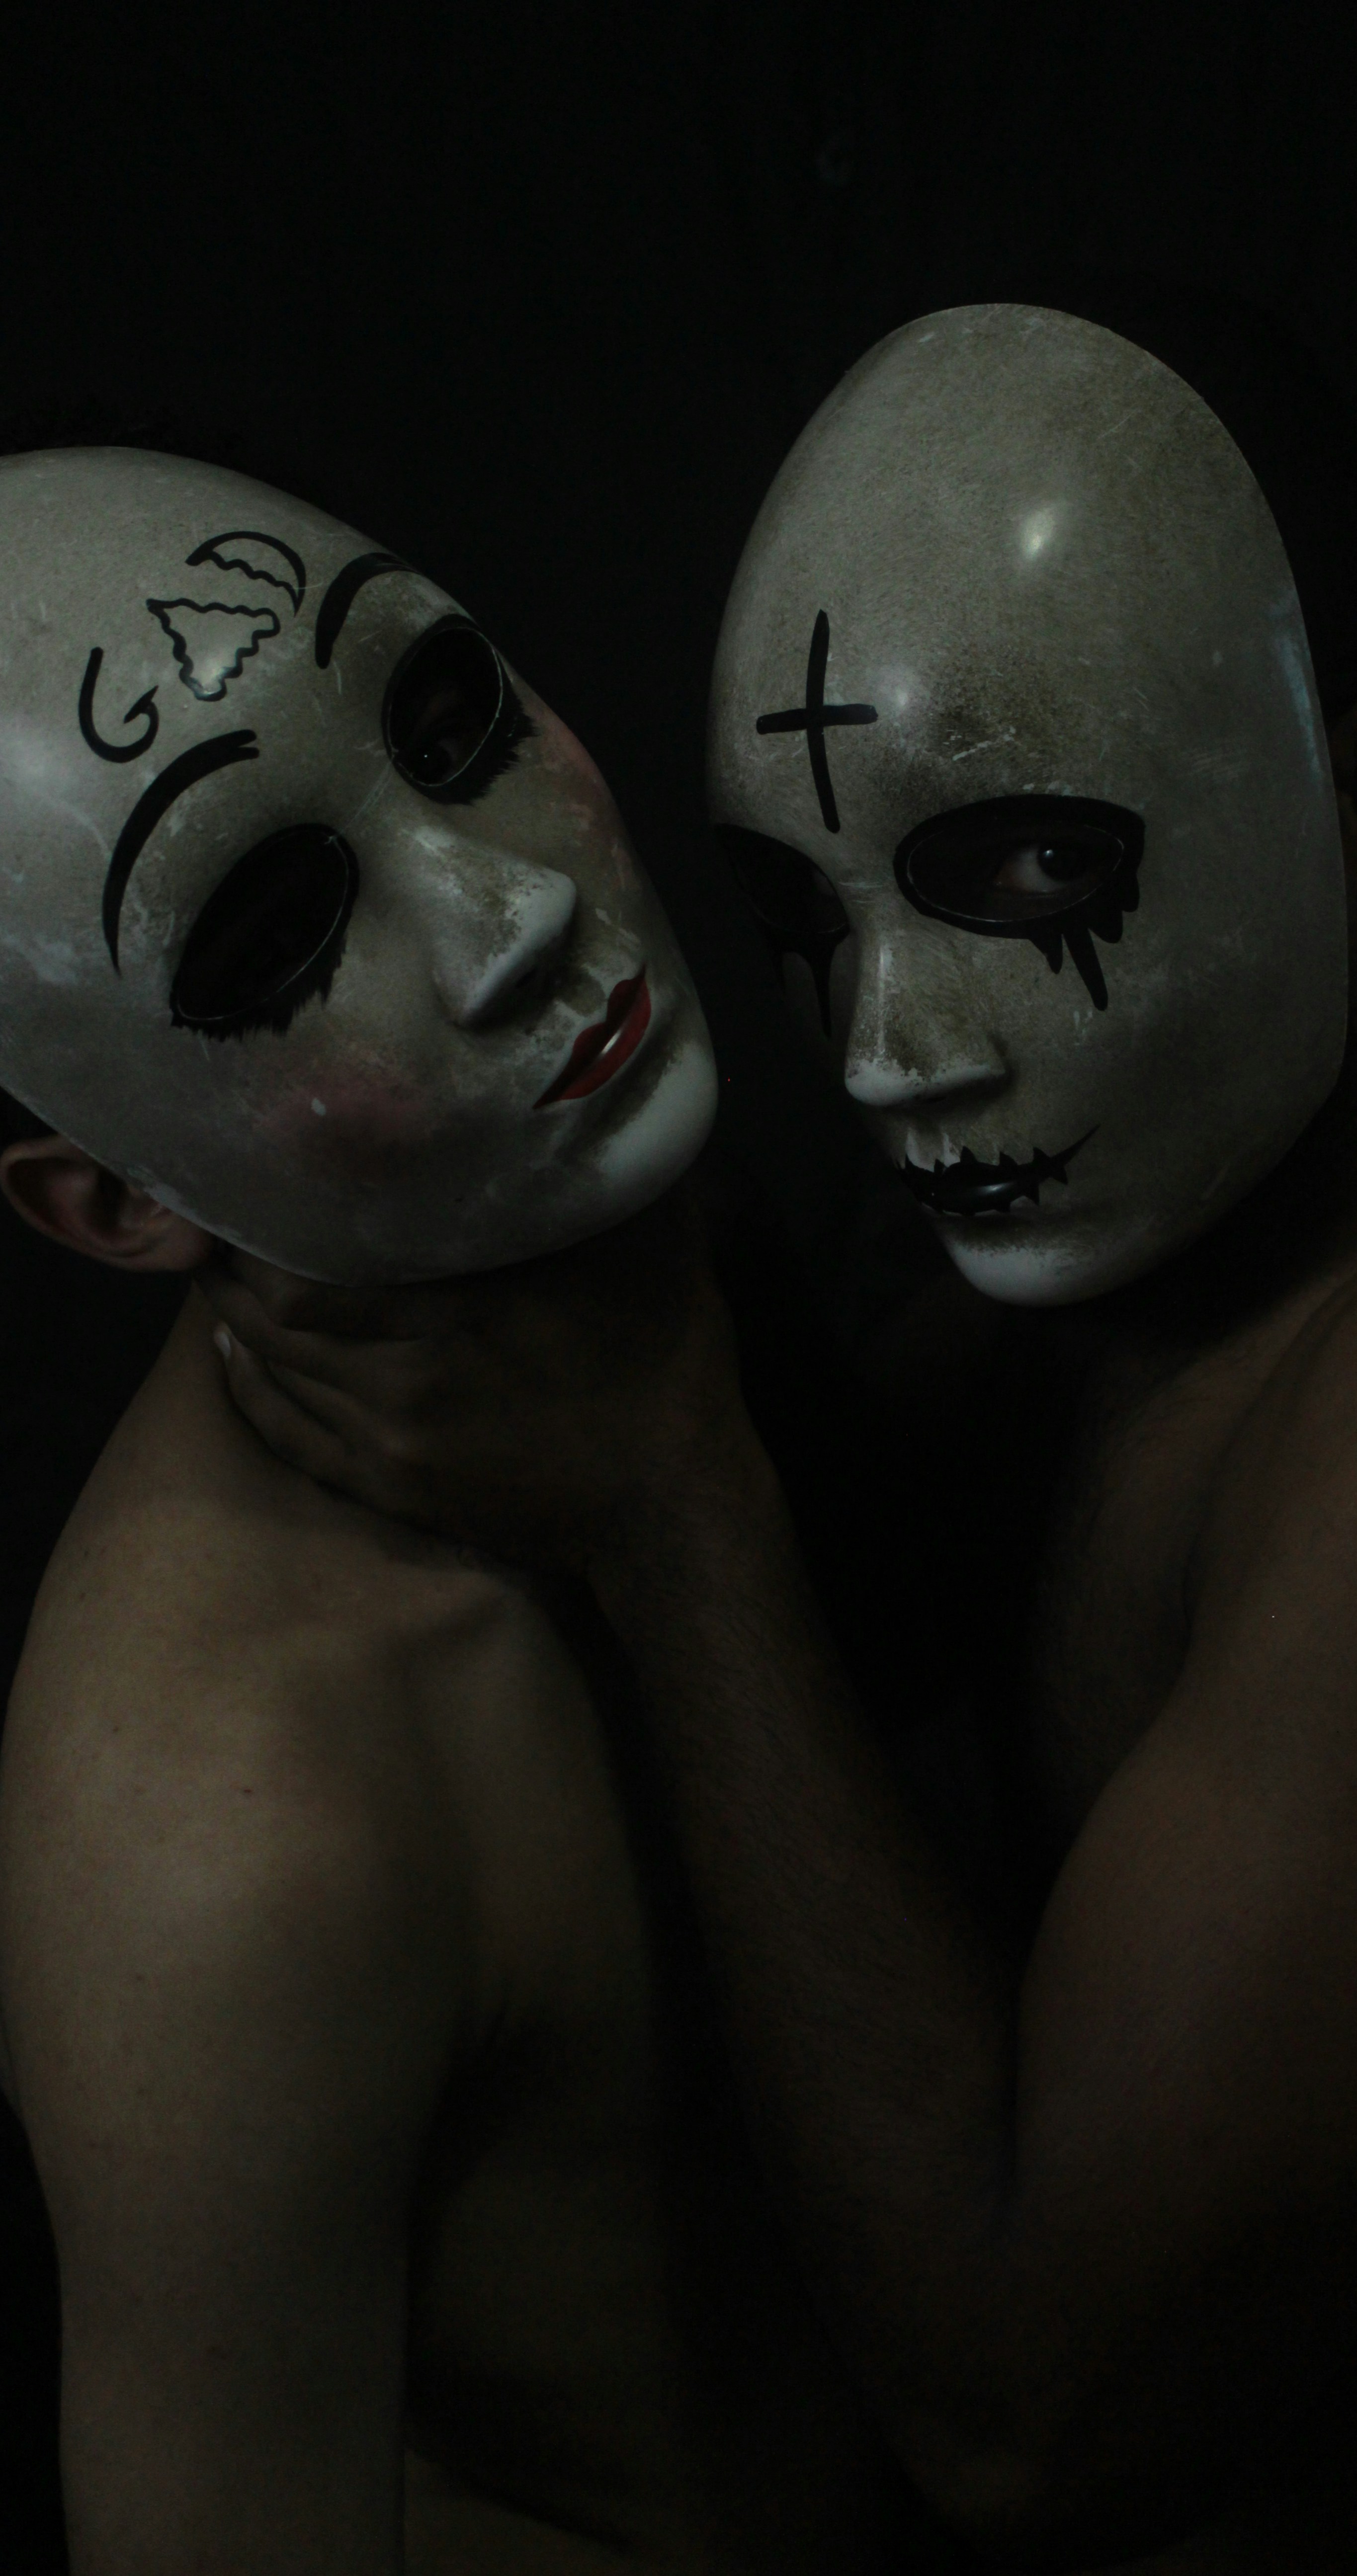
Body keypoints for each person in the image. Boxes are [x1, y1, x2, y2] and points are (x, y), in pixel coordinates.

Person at [204, 291, 1357, 2572]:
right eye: (802, 910)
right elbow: (888, 1603)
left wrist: (668, 1500)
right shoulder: (1189, 1219)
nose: (880, 1047)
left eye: (1023, 873)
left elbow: (1020, 2407)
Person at [0, 442, 923, 2574]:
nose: (515, 914)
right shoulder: (222, 1820)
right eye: (277, 928)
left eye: (451, 721)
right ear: (114, 1203)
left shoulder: (616, 1244)